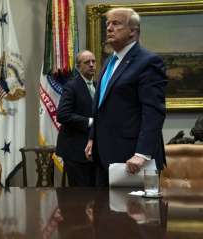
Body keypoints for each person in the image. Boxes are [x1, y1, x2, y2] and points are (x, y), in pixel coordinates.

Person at [85, 8, 167, 186]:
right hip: (103, 154)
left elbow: (153, 111)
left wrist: (142, 153)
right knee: (104, 211)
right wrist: (93, 137)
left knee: (134, 212)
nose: (109, 28)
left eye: (116, 23)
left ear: (133, 31)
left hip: (133, 158)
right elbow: (101, 104)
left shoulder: (148, 62)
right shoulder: (109, 61)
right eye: (107, 24)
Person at [56, 50, 96, 186]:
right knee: (79, 195)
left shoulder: (98, 85)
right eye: (87, 62)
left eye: (93, 61)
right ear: (79, 67)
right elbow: (62, 115)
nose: (91, 65)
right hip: (74, 149)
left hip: (93, 150)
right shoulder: (71, 86)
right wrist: (89, 122)